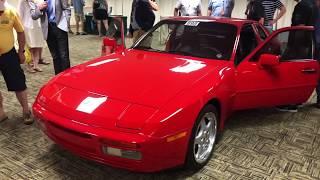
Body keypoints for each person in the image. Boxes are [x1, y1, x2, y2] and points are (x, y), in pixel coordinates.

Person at [277, 0, 318, 112]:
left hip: (300, 44)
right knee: (306, 73)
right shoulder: (314, 6)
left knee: (292, 72)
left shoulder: (302, 5)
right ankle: (299, 100)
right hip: (311, 43)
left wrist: (293, 49)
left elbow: (300, 28)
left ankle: (290, 103)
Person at [0, 0, 33, 125]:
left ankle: (26, 110)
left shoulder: (11, 12)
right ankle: (1, 112)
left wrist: (21, 51)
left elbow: (20, 32)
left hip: (9, 54)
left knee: (18, 82)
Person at [30, 0, 71, 75]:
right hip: (48, 29)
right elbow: (33, 16)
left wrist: (66, 22)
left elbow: (66, 8)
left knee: (64, 55)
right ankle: (58, 78)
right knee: (55, 56)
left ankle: (66, 78)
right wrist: (39, 8)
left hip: (60, 27)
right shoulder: (36, 1)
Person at [18, 0, 46, 73]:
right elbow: (20, 15)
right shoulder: (22, 2)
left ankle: (36, 65)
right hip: (27, 26)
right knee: (30, 47)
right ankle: (29, 65)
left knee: (37, 46)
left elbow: (39, 12)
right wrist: (21, 28)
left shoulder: (35, 1)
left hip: (37, 26)